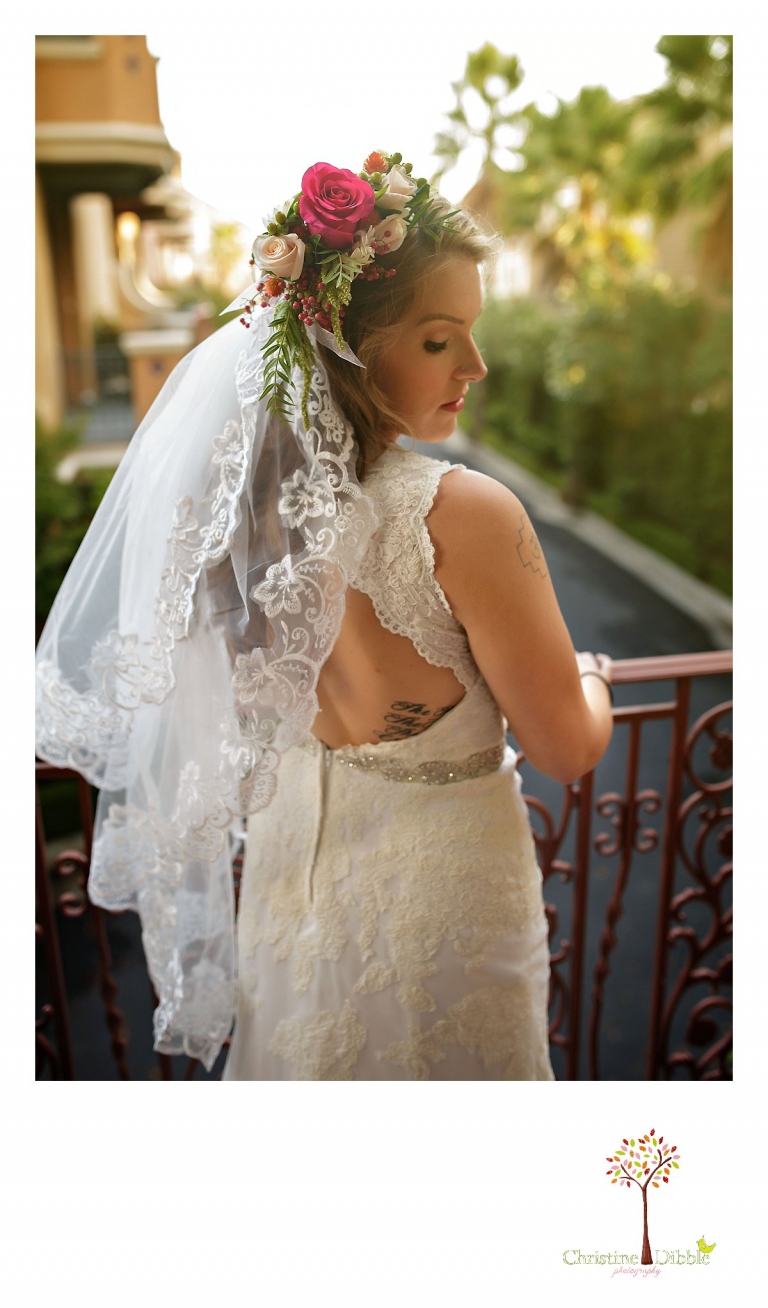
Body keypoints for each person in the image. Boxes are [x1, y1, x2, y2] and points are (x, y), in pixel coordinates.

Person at [35, 151, 613, 1079]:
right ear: (345, 345)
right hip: (444, 903)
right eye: (439, 338)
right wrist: (593, 676)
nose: (477, 363)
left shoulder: (239, 523)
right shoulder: (463, 515)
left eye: (472, 332)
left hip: (289, 880)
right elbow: (569, 748)